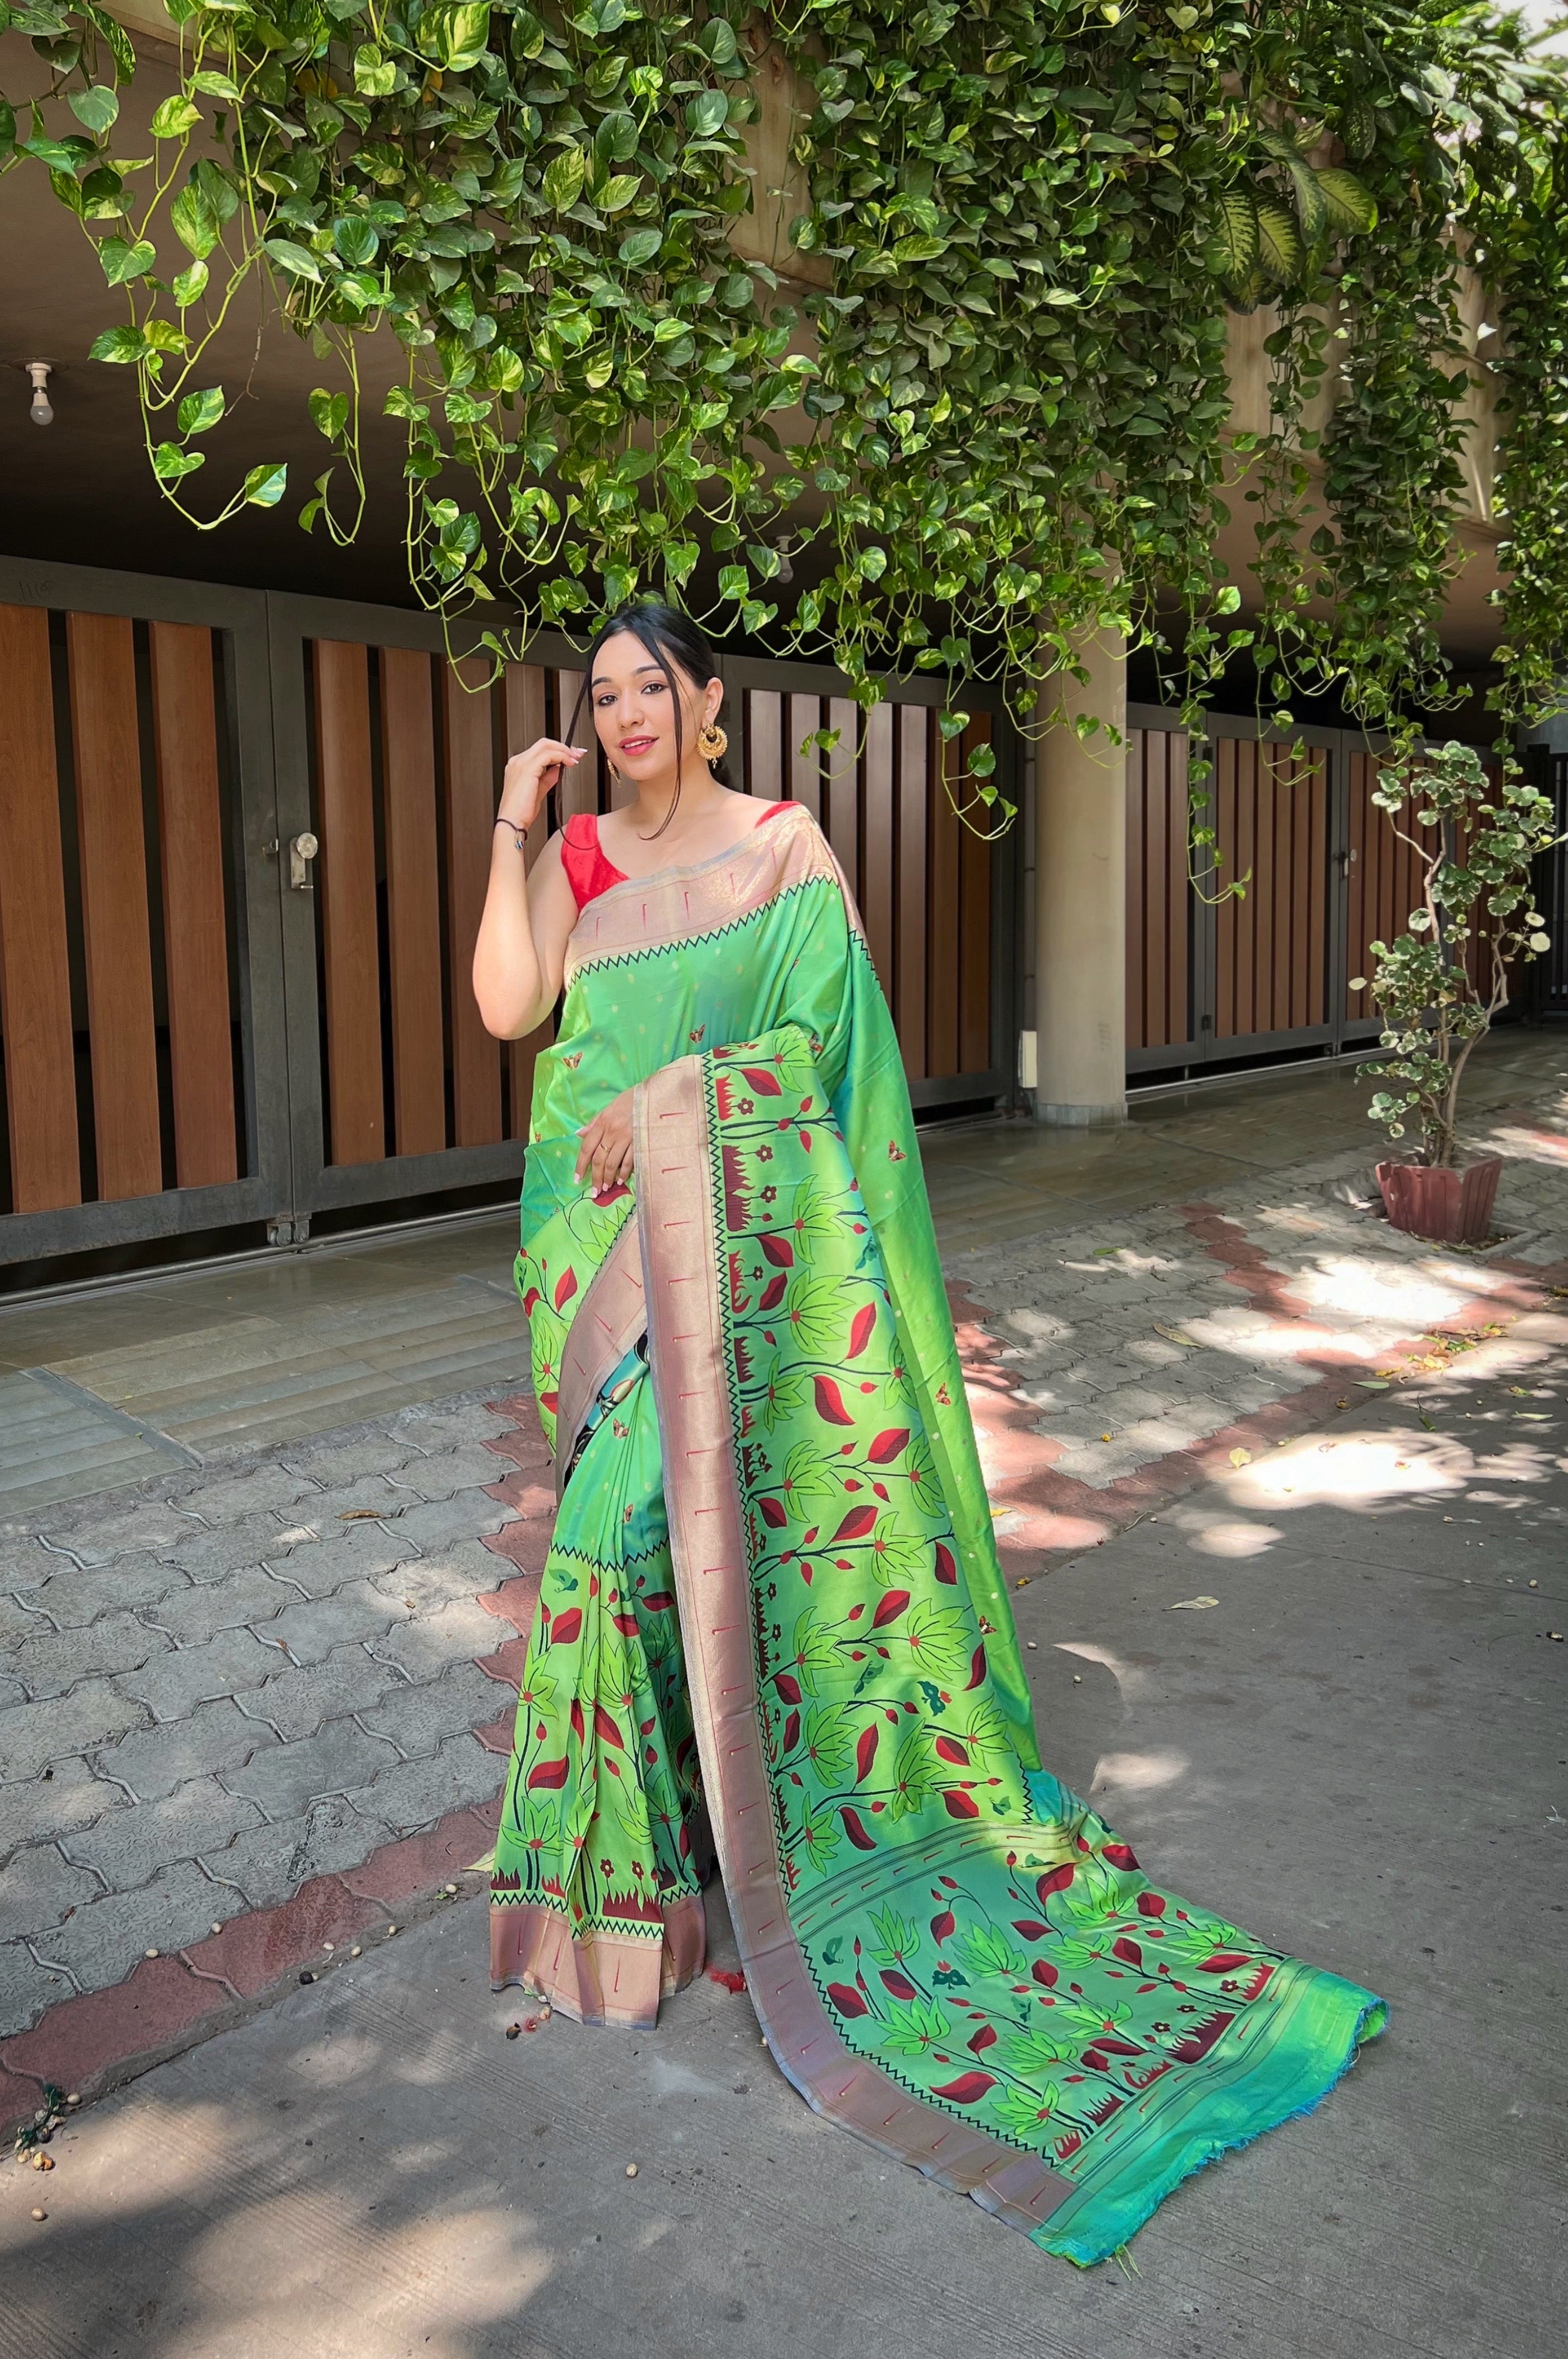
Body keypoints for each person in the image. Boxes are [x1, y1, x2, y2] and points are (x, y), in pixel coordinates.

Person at [470, 601, 1384, 2265]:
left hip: (731, 1247)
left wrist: (678, 1103)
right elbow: (507, 1009)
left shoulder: (783, 848)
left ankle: (733, 1868)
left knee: (678, 1542)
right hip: (584, 1255)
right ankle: (634, 1903)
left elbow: (826, 1067)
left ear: (709, 699)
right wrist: (516, 822)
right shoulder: (582, 853)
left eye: (647, 687)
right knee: (615, 1551)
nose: (621, 714)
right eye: (598, 696)